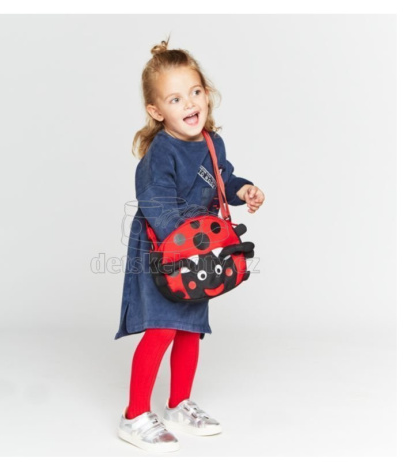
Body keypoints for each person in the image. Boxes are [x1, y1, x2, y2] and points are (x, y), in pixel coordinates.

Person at [115, 36, 266, 453]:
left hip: (199, 253)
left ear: (206, 93)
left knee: (189, 329)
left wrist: (242, 190)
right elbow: (157, 205)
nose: (189, 104)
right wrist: (191, 241)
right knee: (163, 327)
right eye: (176, 99)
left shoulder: (212, 143)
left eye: (195, 92)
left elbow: (223, 179)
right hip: (163, 253)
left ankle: (178, 404)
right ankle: (134, 415)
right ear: (156, 111)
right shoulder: (161, 152)